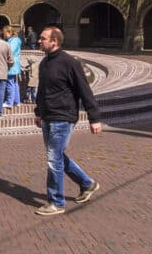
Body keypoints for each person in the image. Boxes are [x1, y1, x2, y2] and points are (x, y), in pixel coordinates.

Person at [33, 26, 102, 215]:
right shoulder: (44, 63)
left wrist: (94, 118)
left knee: (53, 159)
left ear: (54, 41)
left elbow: (84, 90)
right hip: (48, 117)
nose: (39, 41)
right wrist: (39, 112)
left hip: (63, 118)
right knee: (57, 157)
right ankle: (87, 184)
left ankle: (56, 202)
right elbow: (43, 90)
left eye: (43, 38)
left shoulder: (69, 63)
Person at [5, 25, 23, 108]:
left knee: (10, 82)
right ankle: (16, 101)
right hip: (15, 64)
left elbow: (10, 52)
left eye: (5, 33)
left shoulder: (14, 40)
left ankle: (9, 102)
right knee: (14, 83)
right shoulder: (14, 40)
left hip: (12, 65)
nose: (4, 35)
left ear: (9, 32)